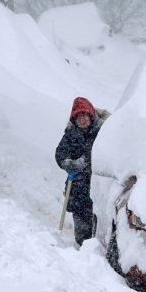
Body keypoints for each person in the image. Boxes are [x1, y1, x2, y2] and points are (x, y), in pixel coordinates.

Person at [55, 97, 109, 246]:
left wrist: (84, 161)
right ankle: (82, 250)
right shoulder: (71, 133)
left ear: (91, 115)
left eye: (84, 116)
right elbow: (60, 153)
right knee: (81, 220)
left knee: (99, 220)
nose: (82, 120)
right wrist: (67, 163)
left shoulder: (102, 132)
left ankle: (99, 249)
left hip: (99, 183)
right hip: (78, 186)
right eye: (78, 117)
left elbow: (104, 152)